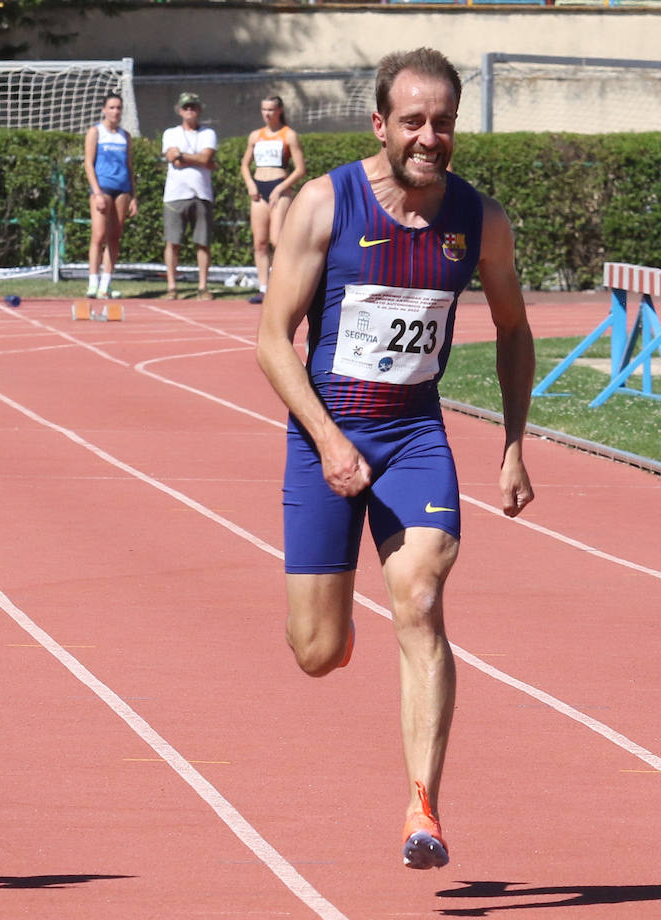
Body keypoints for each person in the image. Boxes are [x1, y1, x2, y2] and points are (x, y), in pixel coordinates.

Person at [254, 47, 535, 870]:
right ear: (381, 124)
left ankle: (423, 806)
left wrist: (515, 445)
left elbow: (515, 329)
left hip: (414, 436)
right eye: (412, 121)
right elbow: (273, 342)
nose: (429, 136)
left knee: (419, 598)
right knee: (314, 652)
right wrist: (332, 442)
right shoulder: (324, 204)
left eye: (442, 122)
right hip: (325, 436)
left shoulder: (479, 220)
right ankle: (336, 632)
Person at [239, 95, 305, 305]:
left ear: (280, 111)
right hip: (259, 188)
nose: (266, 113)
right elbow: (244, 165)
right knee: (260, 242)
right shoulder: (255, 135)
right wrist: (250, 184)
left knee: (277, 240)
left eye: (270, 109)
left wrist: (280, 187)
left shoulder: (289, 135)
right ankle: (264, 288)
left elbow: (300, 169)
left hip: (280, 187)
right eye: (263, 109)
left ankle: (284, 285)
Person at [161, 92, 217, 300]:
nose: (190, 110)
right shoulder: (170, 133)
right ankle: (172, 286)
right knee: (173, 242)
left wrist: (184, 157)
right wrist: (198, 160)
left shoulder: (208, 133)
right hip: (175, 194)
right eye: (186, 107)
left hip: (202, 193)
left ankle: (203, 287)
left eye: (193, 107)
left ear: (199, 109)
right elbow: (172, 158)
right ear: (179, 110)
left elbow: (205, 157)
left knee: (203, 242)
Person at [83, 92, 137, 299]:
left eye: (119, 108)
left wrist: (133, 195)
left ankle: (106, 284)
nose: (115, 112)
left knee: (114, 237)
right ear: (104, 110)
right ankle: (92, 282)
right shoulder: (95, 132)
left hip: (122, 189)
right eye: (112, 107)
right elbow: (88, 163)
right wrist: (96, 192)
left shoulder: (125, 136)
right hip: (102, 188)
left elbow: (129, 166)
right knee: (98, 235)